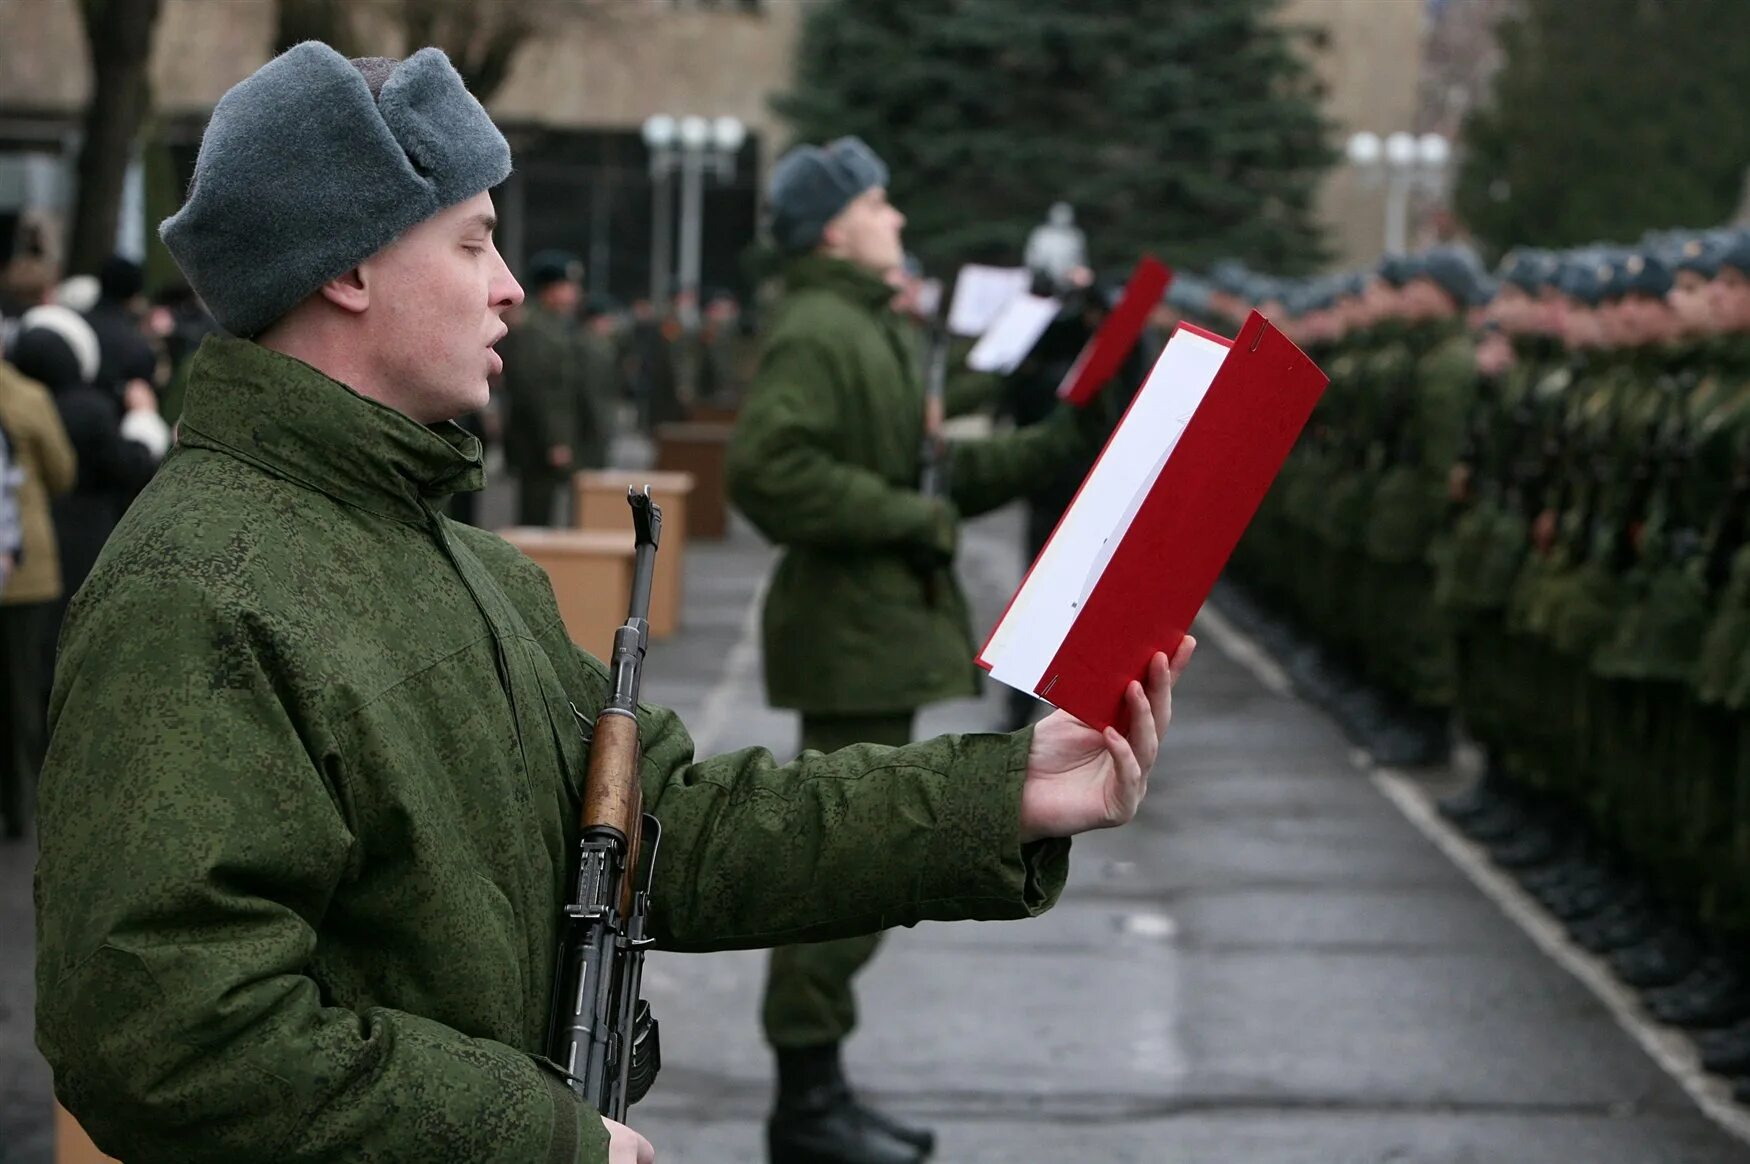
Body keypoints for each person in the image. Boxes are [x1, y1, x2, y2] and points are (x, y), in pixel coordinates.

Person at [33, 44, 1194, 1164]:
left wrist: (1003, 795)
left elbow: (661, 834)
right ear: (349, 267)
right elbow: (168, 1037)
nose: (508, 289)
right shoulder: (197, 595)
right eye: (475, 243)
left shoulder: (461, 564)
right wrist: (533, 1136)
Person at [726, 137, 1127, 1164]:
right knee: (837, 870)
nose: (896, 219)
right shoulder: (821, 329)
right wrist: (915, 519)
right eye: (877, 203)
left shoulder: (864, 326)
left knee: (854, 867)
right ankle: (804, 1109)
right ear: (832, 227)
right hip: (852, 636)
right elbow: (769, 473)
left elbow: (936, 474)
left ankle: (821, 1093)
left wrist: (1064, 431)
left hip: (875, 633)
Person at [0, 333, 76, 840]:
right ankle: (20, 807)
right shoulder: (27, 397)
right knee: (21, 692)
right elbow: (61, 473)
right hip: (23, 572)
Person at [500, 249, 587, 526]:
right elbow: (538, 391)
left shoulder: (553, 325)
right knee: (536, 514)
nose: (574, 293)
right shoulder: (535, 329)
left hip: (547, 437)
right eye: (567, 286)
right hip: (537, 441)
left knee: (545, 510)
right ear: (550, 289)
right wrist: (555, 441)